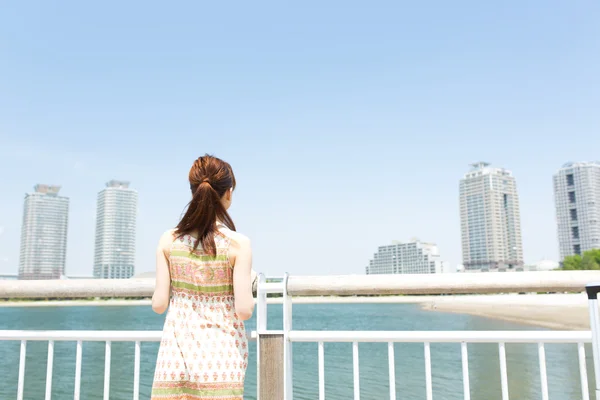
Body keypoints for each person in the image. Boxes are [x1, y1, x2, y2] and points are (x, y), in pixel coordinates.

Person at [151, 154, 254, 400]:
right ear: (228, 193)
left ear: (193, 192)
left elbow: (159, 305)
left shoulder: (169, 239)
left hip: (175, 361)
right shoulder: (238, 243)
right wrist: (248, 279)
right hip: (221, 362)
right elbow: (244, 311)